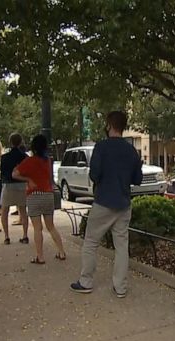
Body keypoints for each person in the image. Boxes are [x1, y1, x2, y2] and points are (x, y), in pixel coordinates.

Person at [70, 111, 143, 298]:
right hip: (124, 204)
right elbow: (137, 179)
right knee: (121, 246)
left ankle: (86, 281)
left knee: (91, 242)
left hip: (103, 201)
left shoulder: (101, 147)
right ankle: (120, 287)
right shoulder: (131, 150)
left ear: (109, 125)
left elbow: (94, 175)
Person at [12, 134, 66, 264]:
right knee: (51, 226)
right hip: (48, 194)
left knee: (37, 228)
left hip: (34, 195)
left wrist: (28, 179)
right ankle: (61, 251)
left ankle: (40, 256)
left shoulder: (29, 161)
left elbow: (15, 174)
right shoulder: (47, 161)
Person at [0, 133, 28, 245]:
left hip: (8, 185)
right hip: (22, 185)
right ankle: (25, 235)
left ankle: (7, 236)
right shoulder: (25, 157)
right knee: (23, 211)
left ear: (10, 142)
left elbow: (3, 173)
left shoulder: (5, 157)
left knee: (4, 211)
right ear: (20, 142)